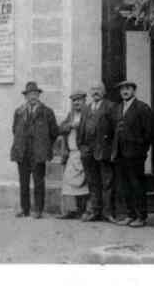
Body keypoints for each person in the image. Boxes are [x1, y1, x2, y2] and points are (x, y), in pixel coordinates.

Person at [10, 81, 59, 219]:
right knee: (23, 183)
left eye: (35, 94)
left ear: (38, 95)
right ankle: (24, 209)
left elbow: (54, 132)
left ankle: (38, 210)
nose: (32, 96)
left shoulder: (47, 112)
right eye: (29, 94)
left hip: (39, 152)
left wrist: (44, 145)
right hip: (23, 152)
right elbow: (14, 130)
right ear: (25, 96)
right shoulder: (19, 112)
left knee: (38, 183)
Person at [111, 79, 153, 227]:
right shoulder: (117, 108)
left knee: (137, 185)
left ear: (134, 91)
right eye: (122, 89)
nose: (125, 91)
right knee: (125, 185)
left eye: (128, 88)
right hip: (120, 153)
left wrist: (142, 151)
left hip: (135, 154)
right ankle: (130, 214)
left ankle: (141, 216)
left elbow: (148, 133)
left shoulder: (142, 108)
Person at [78, 82, 116, 223]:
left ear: (104, 92)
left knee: (107, 183)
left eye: (99, 89)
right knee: (93, 183)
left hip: (104, 151)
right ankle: (95, 211)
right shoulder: (86, 108)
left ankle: (108, 213)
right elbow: (81, 130)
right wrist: (82, 147)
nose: (96, 92)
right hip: (88, 152)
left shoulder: (110, 106)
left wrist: (112, 150)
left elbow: (114, 131)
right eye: (93, 89)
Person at [57, 91, 90, 219]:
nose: (76, 103)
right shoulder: (70, 115)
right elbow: (60, 128)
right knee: (69, 182)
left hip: (83, 153)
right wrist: (70, 126)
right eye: (74, 100)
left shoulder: (88, 114)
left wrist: (80, 126)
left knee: (84, 183)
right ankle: (71, 210)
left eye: (79, 100)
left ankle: (84, 210)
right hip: (71, 153)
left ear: (84, 101)